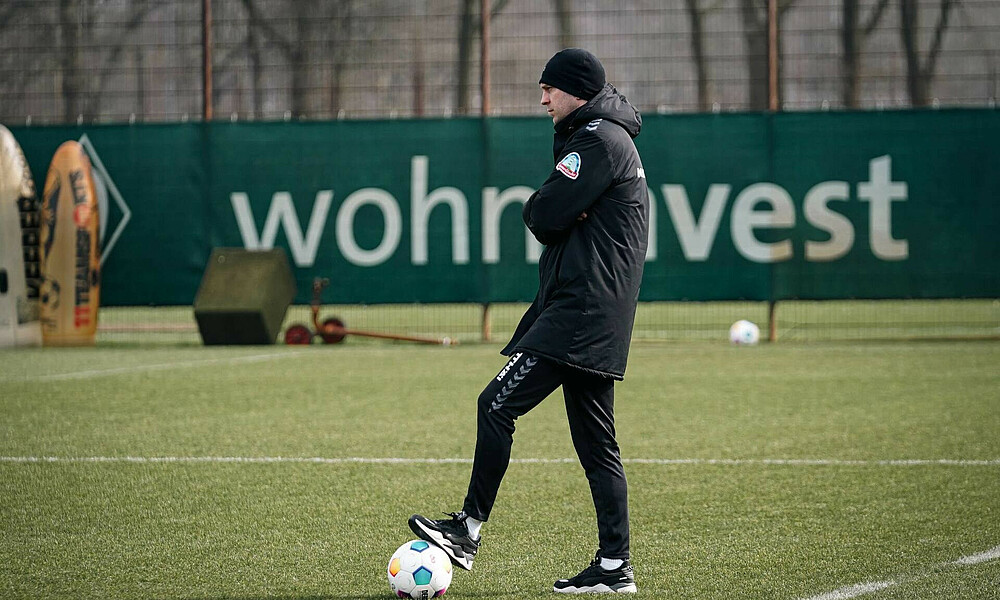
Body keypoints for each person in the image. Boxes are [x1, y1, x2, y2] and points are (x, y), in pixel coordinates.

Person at [409, 48, 648, 595]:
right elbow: (554, 213)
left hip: (581, 310)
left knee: (496, 404)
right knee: (597, 445)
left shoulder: (598, 141)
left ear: (576, 92)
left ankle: (465, 532)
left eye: (549, 89)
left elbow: (542, 214)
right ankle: (615, 566)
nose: (542, 99)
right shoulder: (604, 136)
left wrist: (547, 207)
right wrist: (557, 208)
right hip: (593, 311)